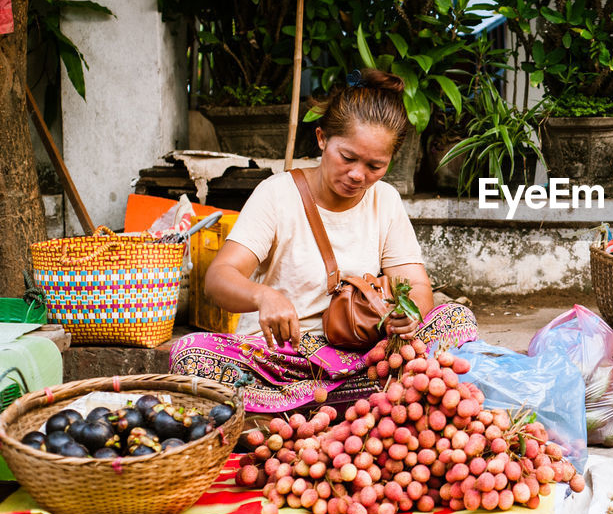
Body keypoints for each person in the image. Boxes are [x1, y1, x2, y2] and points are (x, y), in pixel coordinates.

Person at [170, 69, 478, 412]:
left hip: (363, 356)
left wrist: (410, 314)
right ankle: (363, 399)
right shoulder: (276, 195)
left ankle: (301, 405)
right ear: (321, 139)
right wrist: (263, 296)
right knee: (191, 353)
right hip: (284, 359)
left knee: (455, 319)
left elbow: (418, 286)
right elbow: (218, 279)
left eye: (375, 166)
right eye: (347, 158)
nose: (359, 175)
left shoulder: (386, 200)